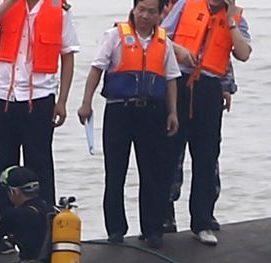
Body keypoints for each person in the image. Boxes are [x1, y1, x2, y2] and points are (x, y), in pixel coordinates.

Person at [0, 0, 80, 255]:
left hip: (40, 98)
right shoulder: (6, 4)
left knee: (40, 164)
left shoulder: (59, 9)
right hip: (4, 97)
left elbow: (68, 56)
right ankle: (5, 232)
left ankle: (44, 227)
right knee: (2, 164)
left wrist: (62, 100)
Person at [77, 0, 181, 249]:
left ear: (160, 14)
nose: (145, 16)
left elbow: (171, 79)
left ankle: (152, 229)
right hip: (119, 112)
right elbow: (96, 70)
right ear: (134, 9)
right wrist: (86, 102)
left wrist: (173, 113)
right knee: (115, 172)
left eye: (151, 12)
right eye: (141, 10)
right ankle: (115, 230)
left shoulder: (163, 41)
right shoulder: (114, 36)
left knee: (152, 173)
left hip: (152, 114)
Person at [161, 0, 251, 246]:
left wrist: (231, 20)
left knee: (207, 155)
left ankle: (202, 221)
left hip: (210, 87)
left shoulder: (237, 16)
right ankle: (160, 218)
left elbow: (243, 54)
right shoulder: (186, 4)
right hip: (180, 83)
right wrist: (179, 49)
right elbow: (161, 35)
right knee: (169, 151)